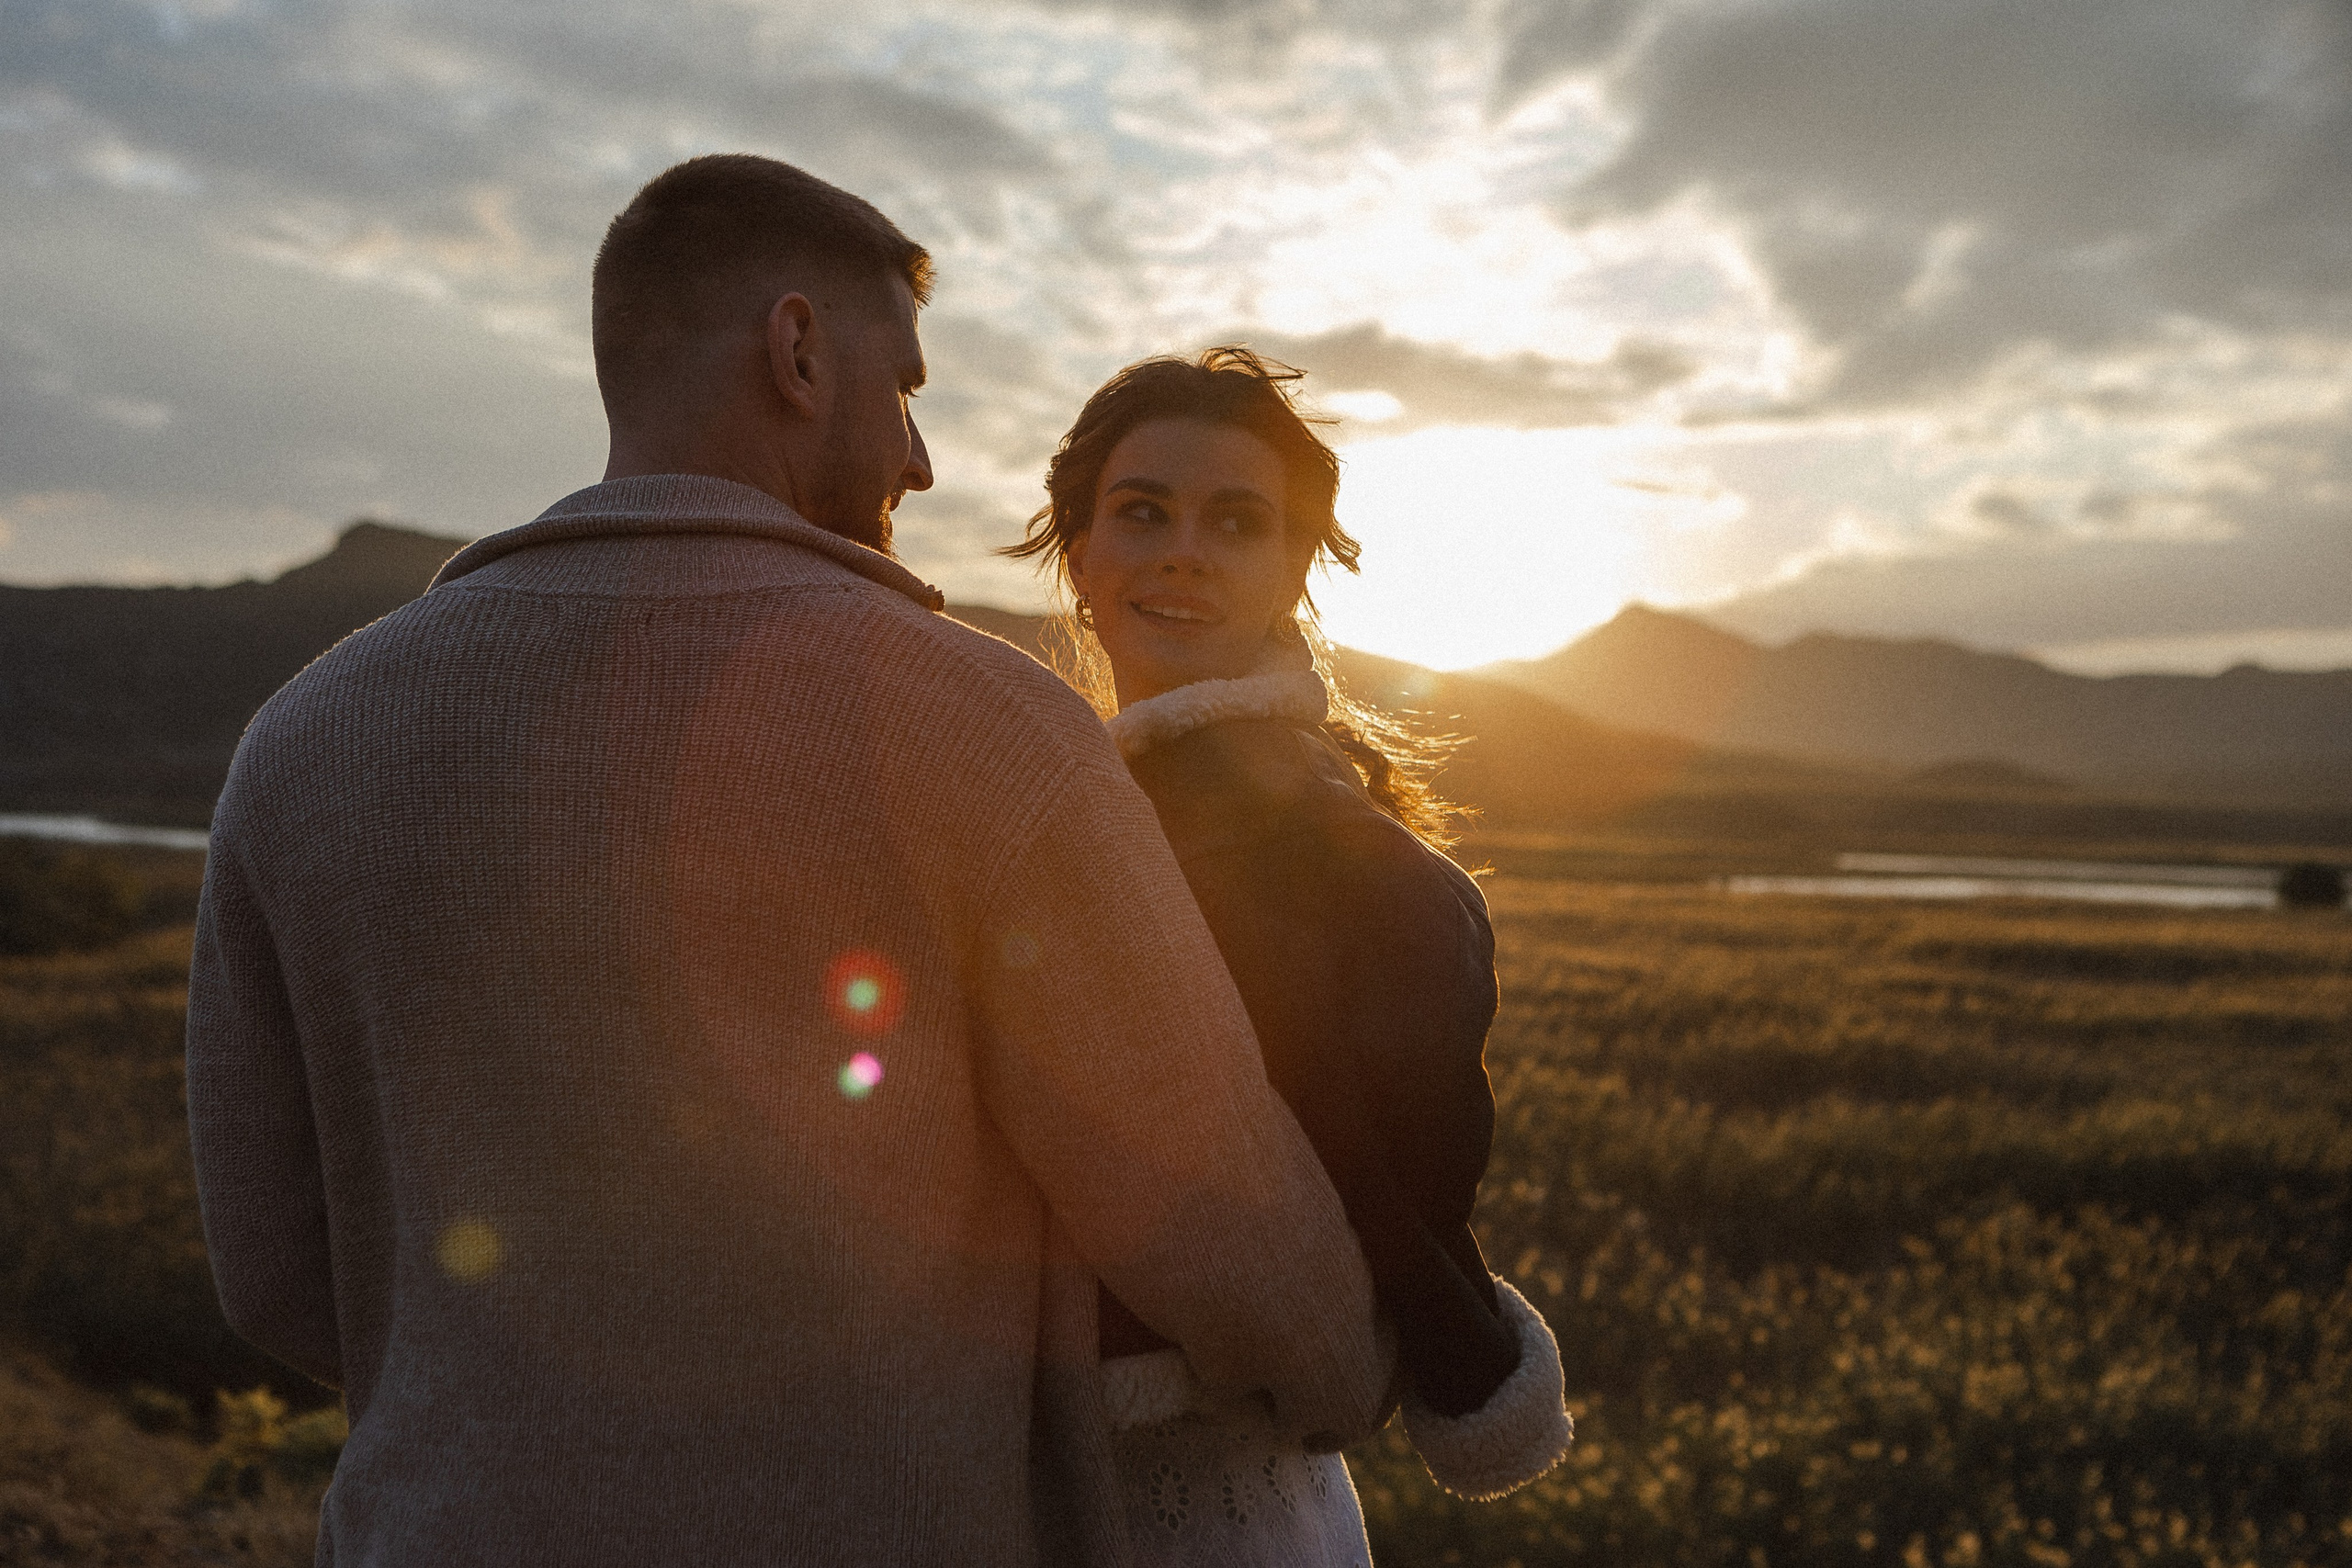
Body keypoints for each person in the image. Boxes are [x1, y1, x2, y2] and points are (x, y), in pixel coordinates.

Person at [184, 156, 1391, 1567]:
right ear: (800, 351)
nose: (921, 461)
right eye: (910, 391)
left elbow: (273, 1274)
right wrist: (1358, 1370)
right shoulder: (989, 731)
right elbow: (1221, 1233)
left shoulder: (306, 737)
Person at [1003, 347, 1575, 1563]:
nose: (1181, 550)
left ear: (1291, 571)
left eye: (1236, 522)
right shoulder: (1060, 809)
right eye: (1142, 511)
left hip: (1210, 1510)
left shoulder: (1349, 865)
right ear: (1081, 550)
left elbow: (1386, 1197)